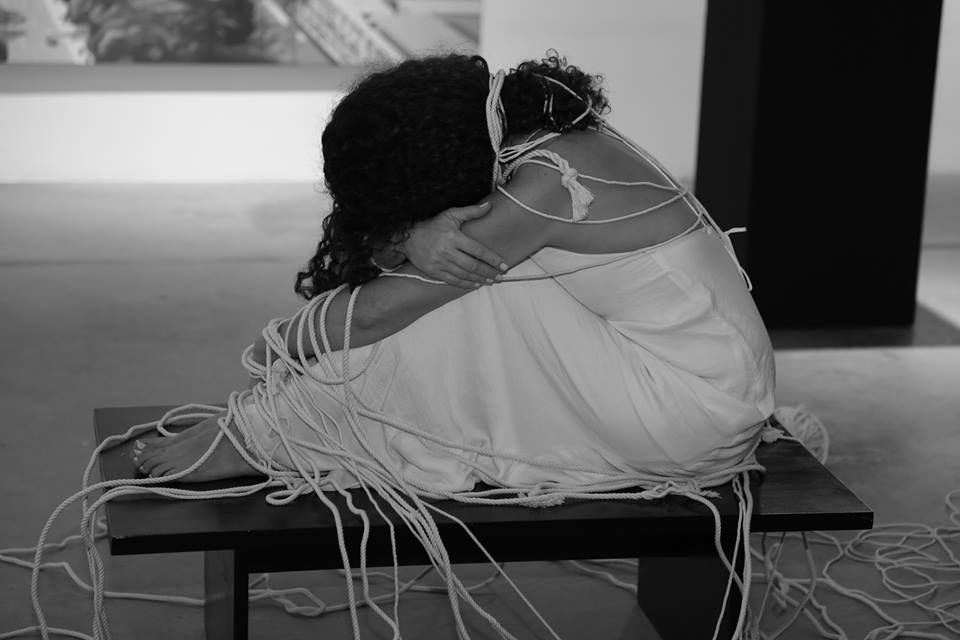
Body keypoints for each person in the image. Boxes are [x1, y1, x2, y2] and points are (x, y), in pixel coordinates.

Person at [131, 52, 775, 493]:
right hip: (714, 386)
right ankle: (284, 423)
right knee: (457, 280)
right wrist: (413, 236)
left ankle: (266, 435)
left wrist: (274, 345)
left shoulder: (544, 187)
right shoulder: (549, 142)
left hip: (690, 412)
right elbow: (395, 266)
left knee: (456, 298)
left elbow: (377, 311)